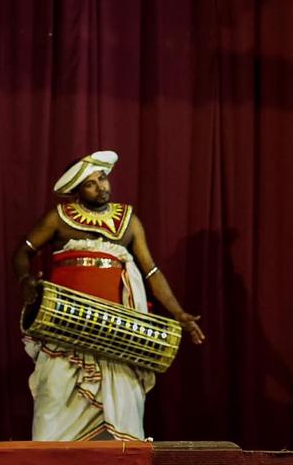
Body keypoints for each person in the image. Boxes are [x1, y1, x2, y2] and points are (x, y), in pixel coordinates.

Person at [13, 150, 205, 441]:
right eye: (90, 184)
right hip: (66, 331)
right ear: (76, 191)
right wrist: (25, 280)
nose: (101, 187)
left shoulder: (129, 221)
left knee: (122, 420)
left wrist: (178, 312)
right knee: (53, 407)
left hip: (116, 336)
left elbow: (151, 272)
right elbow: (22, 252)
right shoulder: (58, 218)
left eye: (102, 179)